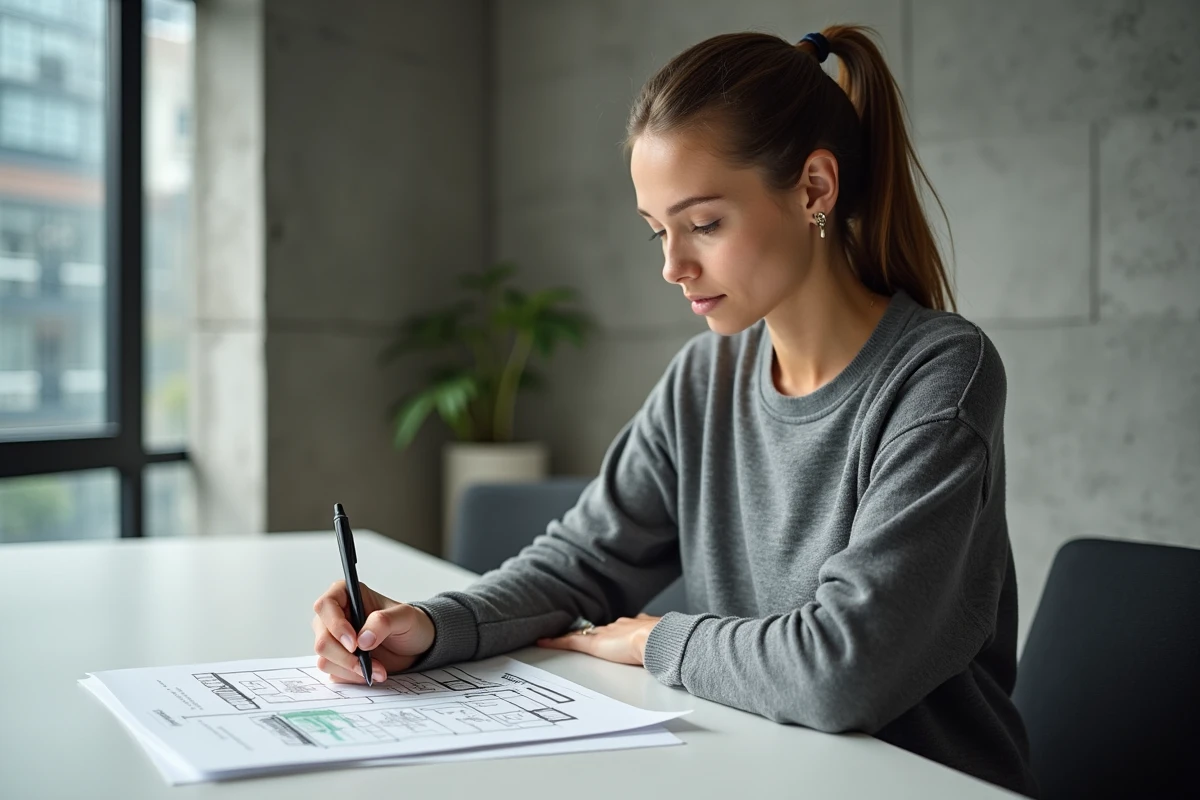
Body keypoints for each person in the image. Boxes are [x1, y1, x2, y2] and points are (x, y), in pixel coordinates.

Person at [311, 25, 1038, 798]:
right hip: (760, 768)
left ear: (814, 189)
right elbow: (582, 562)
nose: (672, 265)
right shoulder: (705, 376)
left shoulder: (940, 374)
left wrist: (661, 641)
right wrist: (431, 627)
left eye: (704, 224)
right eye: (659, 230)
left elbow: (842, 670)